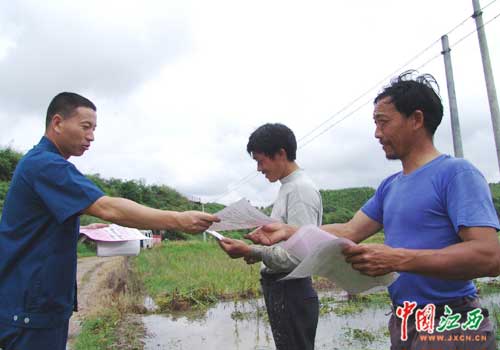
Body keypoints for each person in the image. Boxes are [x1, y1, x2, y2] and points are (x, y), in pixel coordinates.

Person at [246, 71, 500, 350]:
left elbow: (490, 256)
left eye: (383, 122)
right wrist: (289, 230)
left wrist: (397, 259)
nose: (377, 133)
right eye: (375, 123)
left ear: (416, 119)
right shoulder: (390, 186)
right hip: (405, 319)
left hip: (451, 320)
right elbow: (348, 231)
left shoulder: (456, 174)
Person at [0, 92, 219, 350]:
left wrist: (80, 229)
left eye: (94, 128)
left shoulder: (40, 163)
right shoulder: (46, 165)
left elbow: (33, 227)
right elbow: (108, 207)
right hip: (30, 310)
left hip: (35, 305)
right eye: (85, 127)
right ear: (57, 123)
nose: (91, 136)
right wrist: (178, 220)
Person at [218, 123, 323, 350]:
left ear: (281, 154)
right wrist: (258, 246)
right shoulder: (288, 187)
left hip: (292, 291)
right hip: (284, 291)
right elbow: (287, 242)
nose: (258, 168)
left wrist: (250, 251)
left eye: (260, 160)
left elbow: (300, 256)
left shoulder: (300, 190)